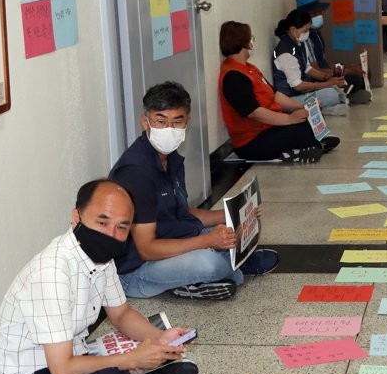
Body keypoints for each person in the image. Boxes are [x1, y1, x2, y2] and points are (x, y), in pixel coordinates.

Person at [0, 179, 199, 374]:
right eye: (102, 222)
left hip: (72, 362)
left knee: (118, 369)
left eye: (122, 227)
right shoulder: (53, 273)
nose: (111, 234)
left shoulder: (100, 258)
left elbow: (121, 314)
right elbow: (62, 370)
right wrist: (130, 360)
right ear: (76, 217)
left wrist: (160, 339)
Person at [110, 82, 280, 300]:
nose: (169, 129)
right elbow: (146, 249)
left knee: (234, 232)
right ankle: (230, 269)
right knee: (209, 263)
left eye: (176, 121)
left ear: (186, 122)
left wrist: (233, 216)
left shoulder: (170, 157)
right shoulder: (136, 172)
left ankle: (222, 268)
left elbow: (183, 212)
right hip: (138, 271)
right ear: (146, 121)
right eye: (161, 121)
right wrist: (207, 242)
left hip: (172, 240)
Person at [218, 21, 338, 163]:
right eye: (251, 38)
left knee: (307, 117)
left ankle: (314, 144)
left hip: (268, 127)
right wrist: (289, 119)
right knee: (301, 129)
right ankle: (311, 145)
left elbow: (276, 96)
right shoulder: (233, 76)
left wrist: (302, 107)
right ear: (244, 42)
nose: (252, 42)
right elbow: (254, 113)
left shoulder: (249, 68)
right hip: (252, 141)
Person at [295, 0, 371, 104]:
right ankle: (344, 96)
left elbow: (323, 62)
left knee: (363, 73)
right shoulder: (305, 38)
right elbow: (314, 70)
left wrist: (347, 67)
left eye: (319, 12)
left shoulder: (315, 33)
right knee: (355, 79)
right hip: (317, 78)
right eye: (314, 14)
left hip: (325, 73)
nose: (318, 16)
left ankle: (346, 95)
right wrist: (344, 72)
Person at [270, 8, 349, 116]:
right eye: (305, 31)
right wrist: (327, 84)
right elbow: (298, 86)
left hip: (302, 92)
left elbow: (307, 68)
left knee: (335, 88)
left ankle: (318, 108)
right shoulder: (285, 53)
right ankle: (317, 109)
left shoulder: (299, 43)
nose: (307, 34)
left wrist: (327, 77)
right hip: (290, 99)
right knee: (331, 94)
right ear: (293, 30)